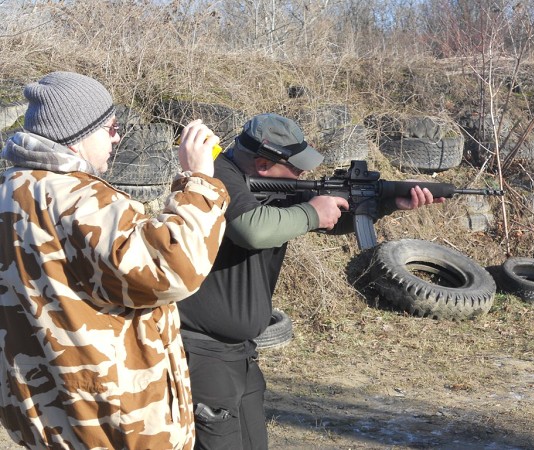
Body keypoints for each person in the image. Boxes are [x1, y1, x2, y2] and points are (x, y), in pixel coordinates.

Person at [176, 112, 445, 450]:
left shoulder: (270, 183)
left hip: (240, 353)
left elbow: (329, 217)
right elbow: (252, 229)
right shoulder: (215, 175)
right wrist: (311, 212)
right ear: (263, 164)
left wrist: (387, 203)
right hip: (203, 353)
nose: (303, 174)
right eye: (296, 167)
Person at [0, 71, 229, 449]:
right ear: (77, 136)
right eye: (110, 128)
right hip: (111, 424)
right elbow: (173, 269)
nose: (117, 137)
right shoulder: (82, 201)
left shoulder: (10, 189)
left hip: (45, 415)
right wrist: (198, 179)